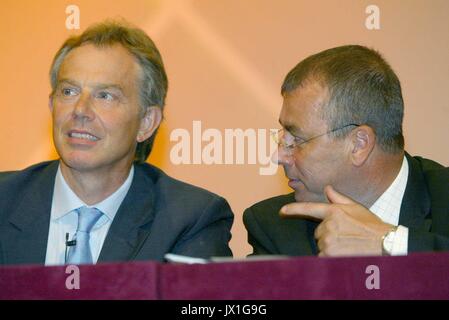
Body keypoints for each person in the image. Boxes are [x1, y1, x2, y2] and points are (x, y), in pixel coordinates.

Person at [0, 20, 233, 266]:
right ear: (51, 106)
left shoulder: (189, 220)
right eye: (69, 92)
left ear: (146, 122)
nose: (80, 110)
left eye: (105, 96)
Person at [244, 45, 448, 257]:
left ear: (359, 144)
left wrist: (388, 242)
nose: (278, 156)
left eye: (297, 140)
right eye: (283, 138)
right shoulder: (277, 226)